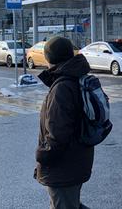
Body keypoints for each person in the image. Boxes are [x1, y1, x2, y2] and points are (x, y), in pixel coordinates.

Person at [35, 37, 93, 209]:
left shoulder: (62, 87)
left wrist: (43, 156)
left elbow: (58, 133)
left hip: (63, 165)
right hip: (75, 159)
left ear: (49, 58)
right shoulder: (74, 77)